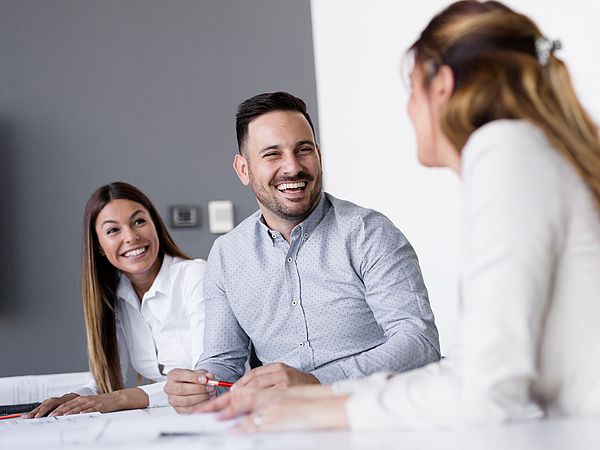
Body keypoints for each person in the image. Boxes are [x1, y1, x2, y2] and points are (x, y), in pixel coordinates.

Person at [197, 1, 600, 431]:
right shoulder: (524, 151)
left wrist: (324, 405)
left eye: (411, 88)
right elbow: (475, 371)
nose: (409, 109)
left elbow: (487, 389)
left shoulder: (505, 153)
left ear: (441, 85)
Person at [164, 92, 440, 413]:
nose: (292, 168)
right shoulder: (226, 255)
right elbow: (223, 361)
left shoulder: (369, 232)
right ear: (243, 169)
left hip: (379, 415)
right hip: (285, 425)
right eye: (272, 154)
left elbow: (420, 342)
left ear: (319, 156)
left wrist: (317, 383)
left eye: (303, 150)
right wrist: (200, 387)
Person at [27, 182, 207, 417]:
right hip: (169, 418)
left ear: (155, 225)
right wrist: (75, 398)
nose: (131, 237)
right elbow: (106, 382)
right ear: (100, 247)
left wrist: (119, 398)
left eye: (139, 221)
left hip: (221, 413)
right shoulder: (116, 296)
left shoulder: (195, 274)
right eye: (113, 230)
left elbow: (204, 380)